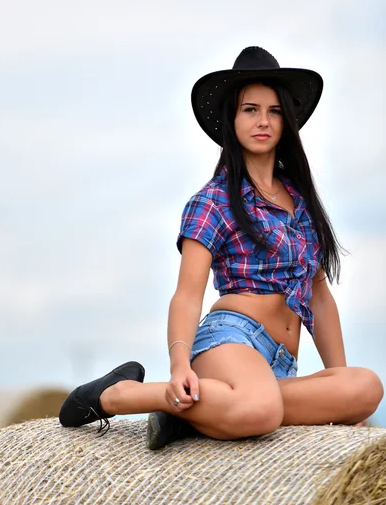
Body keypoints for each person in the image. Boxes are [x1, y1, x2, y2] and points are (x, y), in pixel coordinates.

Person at [59, 46, 383, 449]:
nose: (263, 121)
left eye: (274, 111)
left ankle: (201, 408)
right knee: (261, 411)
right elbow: (187, 293)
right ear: (232, 119)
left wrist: (340, 392)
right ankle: (121, 395)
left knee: (366, 387)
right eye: (250, 109)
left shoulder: (301, 202)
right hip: (232, 340)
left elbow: (318, 295)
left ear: (286, 121)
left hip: (280, 364)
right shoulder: (213, 202)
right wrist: (180, 364)